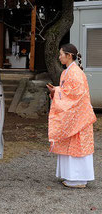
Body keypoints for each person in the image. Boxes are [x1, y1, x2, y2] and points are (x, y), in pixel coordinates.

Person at [46, 43, 96, 188]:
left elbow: (76, 95)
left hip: (79, 116)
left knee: (77, 145)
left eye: (61, 54)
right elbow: (67, 92)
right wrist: (56, 91)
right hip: (73, 114)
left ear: (69, 56)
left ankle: (78, 179)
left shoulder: (75, 73)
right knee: (71, 144)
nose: (59, 56)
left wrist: (57, 91)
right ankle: (72, 176)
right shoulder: (67, 71)